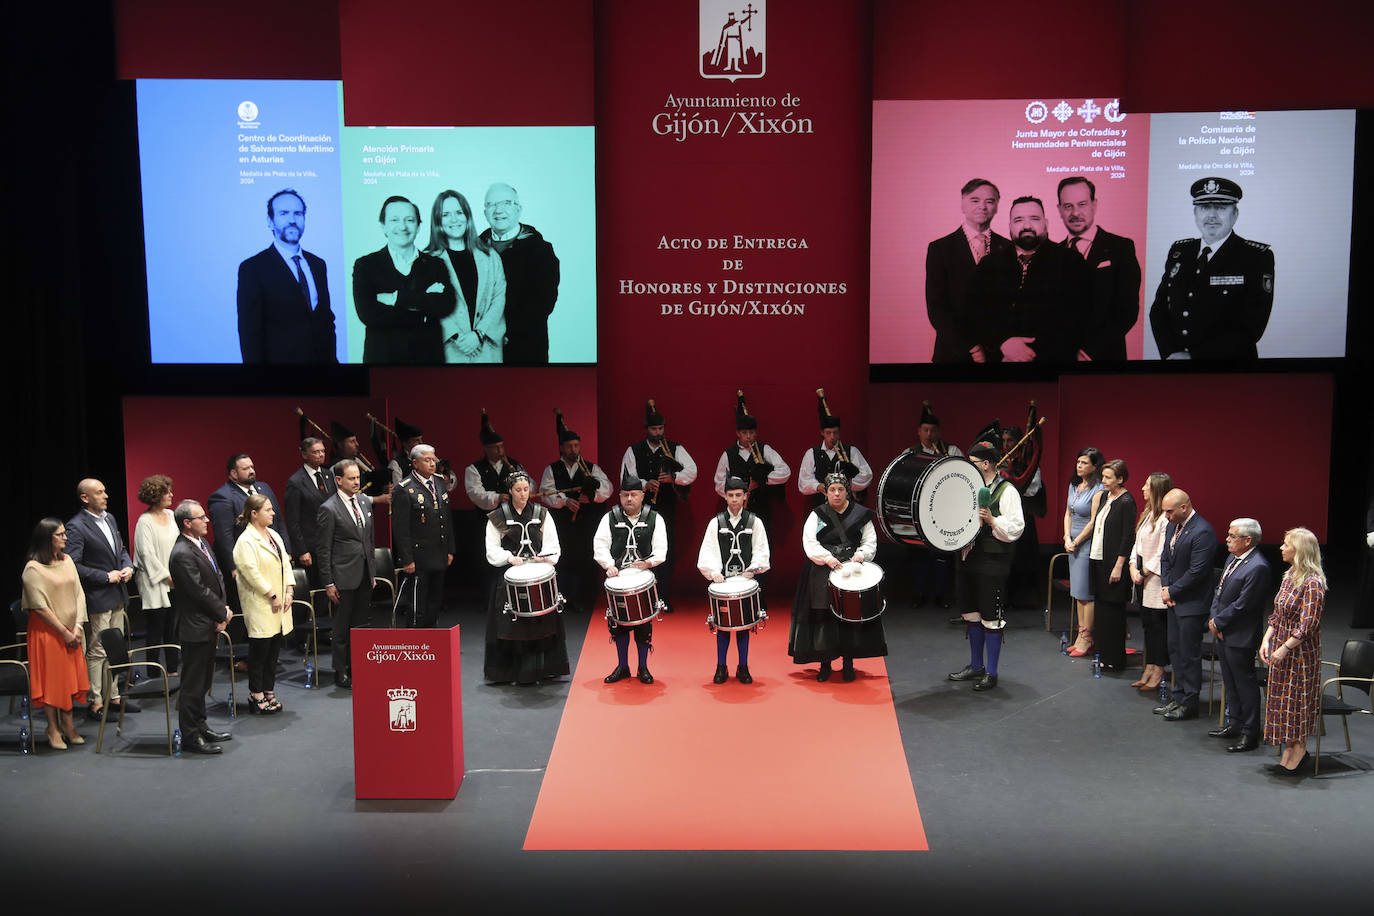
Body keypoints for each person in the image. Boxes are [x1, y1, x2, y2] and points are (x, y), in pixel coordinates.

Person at [1149, 177, 1275, 360]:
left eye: (1221, 208)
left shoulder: (1256, 256)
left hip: (1232, 371)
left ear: (1235, 214)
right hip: (1176, 367)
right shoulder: (1180, 251)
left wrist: (1195, 357)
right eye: (1205, 208)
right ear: (1195, 213)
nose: (1212, 216)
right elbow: (1159, 309)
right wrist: (1171, 354)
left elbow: (1252, 325)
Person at [968, 196, 1091, 363]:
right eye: (1018, 220)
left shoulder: (1071, 261)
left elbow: (1079, 317)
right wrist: (1003, 343)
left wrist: (1029, 352)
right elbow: (975, 312)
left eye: (1034, 218)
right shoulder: (989, 264)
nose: (1027, 226)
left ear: (1046, 223)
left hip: (1053, 367)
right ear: (1010, 226)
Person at [945, 439, 1026, 691]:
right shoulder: (969, 487)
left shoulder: (1006, 491)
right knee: (971, 613)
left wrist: (992, 520)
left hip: (992, 561)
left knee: (991, 617)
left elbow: (1016, 528)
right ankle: (976, 666)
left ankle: (991, 672)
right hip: (968, 558)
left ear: (987, 464)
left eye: (974, 463)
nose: (971, 467)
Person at [789, 471, 885, 683]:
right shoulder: (817, 514)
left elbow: (869, 541)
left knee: (849, 617)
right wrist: (827, 558)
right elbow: (809, 541)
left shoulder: (860, 514)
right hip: (823, 568)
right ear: (826, 493)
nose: (836, 493)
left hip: (851, 568)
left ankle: (848, 663)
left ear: (847, 491)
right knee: (824, 616)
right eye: (832, 490)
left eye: (841, 489)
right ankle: (825, 663)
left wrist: (861, 555)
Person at [483, 469, 569, 684]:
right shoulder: (498, 516)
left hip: (537, 573)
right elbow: (491, 550)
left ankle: (542, 669)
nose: (523, 494)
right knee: (510, 622)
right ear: (510, 491)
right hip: (509, 576)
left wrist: (544, 558)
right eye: (518, 490)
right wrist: (509, 558)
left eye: (526, 489)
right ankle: (509, 672)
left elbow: (553, 544)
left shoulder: (541, 513)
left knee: (541, 621)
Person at [236, 188, 336, 363]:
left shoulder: (318, 264)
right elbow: (250, 332)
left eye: (298, 213)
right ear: (270, 221)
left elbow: (325, 320)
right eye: (284, 213)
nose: (292, 220)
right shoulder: (252, 268)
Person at [353, 195, 455, 364]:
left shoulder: (436, 264)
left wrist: (396, 299)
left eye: (409, 220)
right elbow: (368, 314)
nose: (403, 227)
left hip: (428, 363)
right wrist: (422, 315)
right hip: (383, 364)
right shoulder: (366, 265)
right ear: (383, 226)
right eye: (394, 220)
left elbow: (446, 305)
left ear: (418, 226)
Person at [167, 500, 234, 755]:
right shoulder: (181, 553)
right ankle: (191, 736)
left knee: (204, 680)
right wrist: (222, 611)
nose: (206, 521)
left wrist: (223, 611)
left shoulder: (201, 543)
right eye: (201, 518)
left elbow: (216, 579)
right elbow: (198, 591)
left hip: (209, 622)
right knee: (192, 684)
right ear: (187, 523)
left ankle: (201, 725)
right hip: (195, 626)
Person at [65, 478, 135, 721]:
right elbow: (72, 564)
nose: (105, 496)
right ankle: (95, 702)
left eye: (105, 491)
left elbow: (121, 550)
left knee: (115, 648)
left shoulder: (110, 518)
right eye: (99, 492)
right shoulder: (76, 526)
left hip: (117, 593)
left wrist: (128, 567)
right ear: (85, 498)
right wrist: (105, 576)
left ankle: (114, 697)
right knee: (97, 649)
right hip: (97, 595)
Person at [1260, 527, 1327, 775]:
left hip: (1299, 653)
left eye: (1286, 544)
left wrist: (1284, 649)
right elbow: (1277, 614)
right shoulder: (1289, 575)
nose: (1281, 547)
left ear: (1299, 550)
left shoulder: (1313, 583)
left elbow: (1308, 625)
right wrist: (1267, 640)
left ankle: (1299, 750)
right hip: (1281, 645)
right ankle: (1289, 748)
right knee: (1281, 699)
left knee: (1297, 700)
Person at [621, 399, 698, 611]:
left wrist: (673, 478)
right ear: (647, 429)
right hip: (640, 508)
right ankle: (642, 597)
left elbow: (692, 471)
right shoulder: (633, 450)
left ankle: (662, 596)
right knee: (640, 549)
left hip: (666, 508)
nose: (658, 432)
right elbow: (626, 479)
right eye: (654, 429)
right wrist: (645, 484)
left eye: (661, 428)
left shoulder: (674, 448)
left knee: (665, 551)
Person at [21, 518, 90, 749]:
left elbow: (79, 594)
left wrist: (78, 627)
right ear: (46, 538)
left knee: (69, 678)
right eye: (59, 534)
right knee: (53, 681)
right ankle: (53, 728)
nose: (65, 537)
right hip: (48, 634)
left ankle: (69, 725)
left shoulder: (68, 560)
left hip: (73, 631)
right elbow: (39, 607)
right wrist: (63, 631)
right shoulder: (33, 569)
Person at [1055, 176, 1141, 361]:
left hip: (1106, 361)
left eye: (1082, 204)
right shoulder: (1053, 253)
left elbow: (1127, 311)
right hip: (1060, 361)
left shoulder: (1121, 248)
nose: (1075, 213)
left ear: (1094, 204)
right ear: (1059, 210)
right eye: (1068, 206)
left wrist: (1089, 351)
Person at [926, 178, 1012, 362]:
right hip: (954, 354)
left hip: (999, 355)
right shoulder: (940, 248)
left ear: (997, 206)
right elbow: (937, 309)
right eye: (975, 200)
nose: (983, 206)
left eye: (990, 201)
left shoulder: (1009, 248)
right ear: (962, 204)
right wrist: (971, 347)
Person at [594, 471, 668, 685]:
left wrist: (648, 563)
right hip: (617, 579)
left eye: (634, 494)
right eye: (625, 494)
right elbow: (599, 545)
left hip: (642, 578)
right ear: (619, 496)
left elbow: (661, 549)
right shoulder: (610, 518)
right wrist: (608, 565)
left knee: (643, 625)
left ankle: (643, 667)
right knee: (619, 624)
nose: (629, 499)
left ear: (642, 496)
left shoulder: (655, 518)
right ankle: (623, 666)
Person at [1206, 517, 1273, 752]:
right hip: (1224, 631)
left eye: (1232, 536)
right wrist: (1215, 620)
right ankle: (1234, 724)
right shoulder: (1232, 558)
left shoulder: (1258, 567)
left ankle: (1250, 733)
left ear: (1247, 540)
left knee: (1245, 685)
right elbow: (1220, 592)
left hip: (1240, 635)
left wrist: (1219, 622)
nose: (1227, 539)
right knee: (1230, 682)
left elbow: (1244, 605)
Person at [697, 475, 771, 684]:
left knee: (743, 626)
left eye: (739, 495)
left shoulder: (754, 522)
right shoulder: (716, 523)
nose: (735, 499)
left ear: (746, 496)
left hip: (745, 582)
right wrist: (713, 573)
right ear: (725, 496)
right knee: (722, 627)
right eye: (731, 495)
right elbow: (708, 552)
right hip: (723, 583)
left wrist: (753, 569)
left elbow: (761, 550)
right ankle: (721, 666)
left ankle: (743, 666)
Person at [1155, 489, 1218, 722]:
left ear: (1184, 507)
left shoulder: (1202, 532)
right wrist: (1165, 587)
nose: (1166, 516)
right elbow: (1165, 559)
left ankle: (1190, 702)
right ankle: (1178, 696)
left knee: (1189, 654)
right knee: (1175, 650)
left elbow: (1197, 572)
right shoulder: (1173, 525)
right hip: (1174, 600)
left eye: (1169, 511)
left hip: (1192, 603)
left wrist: (1172, 590)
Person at [479, 184, 559, 365]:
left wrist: (501, 333)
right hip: (480, 349)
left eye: (506, 203)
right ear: (485, 212)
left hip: (524, 349)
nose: (498, 210)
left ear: (518, 209)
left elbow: (543, 303)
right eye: (491, 204)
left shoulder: (540, 250)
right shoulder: (473, 249)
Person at [540, 412, 612, 612]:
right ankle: (564, 598)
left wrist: (591, 497)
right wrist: (564, 501)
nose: (574, 450)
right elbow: (545, 494)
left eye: (576, 446)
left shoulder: (590, 468)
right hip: (563, 523)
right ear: (562, 448)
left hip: (586, 523)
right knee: (564, 560)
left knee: (586, 558)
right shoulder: (552, 469)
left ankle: (585, 599)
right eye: (570, 446)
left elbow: (607, 489)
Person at [427, 189, 507, 364]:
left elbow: (499, 298)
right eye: (446, 214)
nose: (454, 219)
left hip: (487, 348)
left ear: (467, 216)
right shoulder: (427, 260)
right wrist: (457, 336)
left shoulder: (490, 255)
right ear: (438, 221)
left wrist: (478, 334)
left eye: (459, 212)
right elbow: (429, 304)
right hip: (449, 349)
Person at [315, 459, 376, 689]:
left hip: (363, 573)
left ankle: (358, 666)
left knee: (361, 625)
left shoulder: (364, 502)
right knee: (342, 627)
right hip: (342, 575)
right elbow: (324, 549)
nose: (356, 482)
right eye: (351, 478)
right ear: (338, 480)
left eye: (358, 478)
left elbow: (369, 540)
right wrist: (328, 581)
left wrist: (372, 572)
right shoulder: (328, 508)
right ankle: (340, 671)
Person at [231, 494, 294, 715]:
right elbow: (250, 572)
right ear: (254, 513)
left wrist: (289, 590)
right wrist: (272, 594)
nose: (273, 513)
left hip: (279, 604)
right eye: (268, 510)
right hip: (261, 603)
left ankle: (268, 690)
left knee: (273, 651)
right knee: (259, 652)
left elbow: (286, 562)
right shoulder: (245, 541)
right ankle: (255, 693)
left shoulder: (274, 534)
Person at [392, 444, 455, 628]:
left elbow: (446, 518)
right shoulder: (405, 488)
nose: (432, 463)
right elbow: (400, 528)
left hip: (439, 552)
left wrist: (450, 549)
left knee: (435, 602)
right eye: (427, 460)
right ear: (415, 463)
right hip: (418, 557)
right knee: (417, 604)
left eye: (433, 459)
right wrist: (407, 559)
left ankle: (431, 641)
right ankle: (415, 643)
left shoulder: (439, 482)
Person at [906, 401, 961, 610]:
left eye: (933, 430)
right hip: (919, 511)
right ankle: (919, 594)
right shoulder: (910, 453)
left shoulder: (952, 450)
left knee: (942, 554)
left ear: (938, 431)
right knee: (918, 555)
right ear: (918, 432)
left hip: (944, 511)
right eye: (925, 430)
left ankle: (941, 595)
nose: (929, 434)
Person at [207, 453, 292, 587]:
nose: (252, 471)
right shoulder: (222, 497)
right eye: (246, 469)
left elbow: (279, 521)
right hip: (247, 561)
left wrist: (286, 551)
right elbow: (224, 536)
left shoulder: (264, 488)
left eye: (252, 467)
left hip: (272, 558)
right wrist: (233, 566)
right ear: (234, 473)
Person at [713, 391, 790, 528]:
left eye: (751, 432)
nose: (748, 437)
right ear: (737, 433)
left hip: (762, 507)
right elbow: (719, 483)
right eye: (744, 433)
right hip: (736, 509)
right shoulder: (728, 454)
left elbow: (785, 471)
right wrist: (738, 490)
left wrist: (763, 478)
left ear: (756, 432)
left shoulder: (764, 449)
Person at [1088, 459, 1137, 671]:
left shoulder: (1126, 501)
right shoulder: (1107, 497)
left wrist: (1119, 566)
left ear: (1120, 479)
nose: (1104, 481)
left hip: (1114, 563)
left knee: (1113, 613)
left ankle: (1115, 659)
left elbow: (1127, 537)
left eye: (1108, 477)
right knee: (1102, 610)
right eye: (1103, 476)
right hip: (1100, 559)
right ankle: (1102, 654)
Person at [1128, 471, 1173, 692]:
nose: (1142, 489)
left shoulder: (1166, 518)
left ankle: (1159, 668)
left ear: (1156, 489)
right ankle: (1149, 665)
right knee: (1147, 626)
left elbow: (1161, 551)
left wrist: (1144, 571)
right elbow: (1137, 545)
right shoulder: (1148, 514)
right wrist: (1132, 567)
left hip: (1155, 579)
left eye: (1146, 485)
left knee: (1158, 627)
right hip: (1141, 577)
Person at [133, 474, 179, 677]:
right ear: (155, 495)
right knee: (156, 629)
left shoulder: (172, 515)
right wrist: (167, 577)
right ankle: (153, 674)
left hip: (175, 581)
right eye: (166, 492)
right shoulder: (145, 521)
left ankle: (172, 669)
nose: (171, 494)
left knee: (173, 627)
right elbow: (147, 554)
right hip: (155, 583)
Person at [999, 414, 1046, 608]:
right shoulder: (999, 460)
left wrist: (1012, 483)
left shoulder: (1027, 462)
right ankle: (1003, 598)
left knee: (1022, 558)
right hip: (1001, 516)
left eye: (1010, 440)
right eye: (1004, 440)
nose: (1007, 444)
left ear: (1019, 441)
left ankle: (1021, 598)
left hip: (1021, 515)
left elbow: (1032, 488)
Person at [797, 390, 872, 508]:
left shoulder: (851, 451)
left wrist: (846, 484)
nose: (832, 437)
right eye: (828, 433)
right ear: (822, 432)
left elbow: (867, 475)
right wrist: (818, 486)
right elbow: (803, 482)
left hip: (846, 506)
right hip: (820, 507)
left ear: (839, 432)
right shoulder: (812, 453)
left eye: (835, 433)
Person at [1062, 448, 1104, 656]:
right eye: (1078, 462)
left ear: (1095, 466)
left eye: (1084, 463)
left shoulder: (1098, 488)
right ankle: (1080, 634)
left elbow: (1094, 521)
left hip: (1086, 543)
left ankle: (1087, 639)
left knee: (1086, 593)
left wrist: (1076, 541)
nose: (1079, 466)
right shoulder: (1074, 485)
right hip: (1073, 544)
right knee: (1077, 593)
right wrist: (1066, 537)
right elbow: (1068, 513)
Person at [284, 437, 335, 593]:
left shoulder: (328, 475)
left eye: (322, 451)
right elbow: (293, 520)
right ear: (304, 455)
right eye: (315, 452)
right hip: (311, 546)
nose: (320, 455)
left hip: (331, 541)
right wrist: (302, 550)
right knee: (317, 590)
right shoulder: (296, 481)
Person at [330, 421, 393, 506]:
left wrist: (382, 490)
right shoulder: (337, 467)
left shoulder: (357, 461)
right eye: (352, 441)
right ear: (341, 445)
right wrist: (377, 499)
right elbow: (348, 496)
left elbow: (366, 485)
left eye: (356, 441)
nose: (357, 444)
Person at [387, 417, 425, 488]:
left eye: (421, 439)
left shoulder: (427, 458)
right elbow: (399, 491)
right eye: (416, 440)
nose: (421, 443)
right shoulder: (396, 464)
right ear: (405, 443)